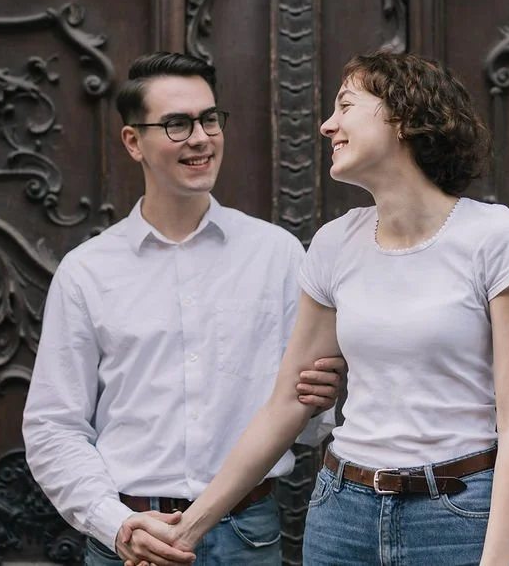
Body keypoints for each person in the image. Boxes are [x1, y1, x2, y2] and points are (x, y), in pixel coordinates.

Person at [124, 51, 509, 566]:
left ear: (404, 117)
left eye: (345, 105)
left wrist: (496, 562)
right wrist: (186, 531)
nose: (327, 125)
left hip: (456, 515)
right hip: (342, 512)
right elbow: (286, 404)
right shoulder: (333, 244)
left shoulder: (494, 236)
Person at [22, 52, 346, 566]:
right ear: (133, 141)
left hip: (247, 534)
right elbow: (53, 426)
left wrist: (318, 401)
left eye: (209, 119)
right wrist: (116, 524)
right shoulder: (87, 271)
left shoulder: (278, 255)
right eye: (176, 124)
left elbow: (308, 423)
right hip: (129, 541)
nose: (200, 137)